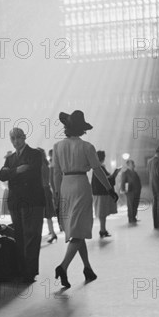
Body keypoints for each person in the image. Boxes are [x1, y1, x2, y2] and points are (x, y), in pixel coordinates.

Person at [53, 111, 114, 288]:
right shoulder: (87, 147)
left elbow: (56, 173)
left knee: (76, 230)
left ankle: (87, 268)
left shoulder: (57, 146)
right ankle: (63, 267)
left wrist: (57, 194)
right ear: (82, 129)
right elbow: (98, 170)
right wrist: (109, 189)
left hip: (65, 186)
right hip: (80, 185)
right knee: (78, 232)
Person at [0, 128, 45, 284]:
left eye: (18, 137)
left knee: (31, 236)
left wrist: (11, 172)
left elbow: (31, 174)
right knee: (19, 236)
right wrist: (17, 170)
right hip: (16, 201)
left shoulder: (35, 154)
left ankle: (29, 272)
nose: (16, 141)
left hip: (32, 201)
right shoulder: (11, 158)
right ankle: (22, 269)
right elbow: (1, 175)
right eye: (13, 138)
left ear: (24, 137)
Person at [91, 150, 118, 237]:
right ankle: (102, 230)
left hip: (99, 193)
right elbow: (104, 179)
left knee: (102, 213)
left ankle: (103, 229)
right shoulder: (99, 168)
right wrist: (113, 176)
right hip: (101, 193)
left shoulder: (99, 167)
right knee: (102, 213)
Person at [37, 148, 58, 243]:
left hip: (41, 191)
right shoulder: (46, 165)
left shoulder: (39, 166)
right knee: (48, 214)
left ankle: (47, 234)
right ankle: (52, 233)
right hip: (47, 190)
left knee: (40, 214)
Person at [120, 159, 142, 224]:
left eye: (133, 163)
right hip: (130, 191)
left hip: (137, 191)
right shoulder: (125, 173)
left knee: (135, 204)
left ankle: (134, 217)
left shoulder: (135, 172)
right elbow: (123, 182)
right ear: (128, 165)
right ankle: (131, 218)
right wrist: (123, 190)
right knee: (131, 205)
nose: (134, 165)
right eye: (132, 164)